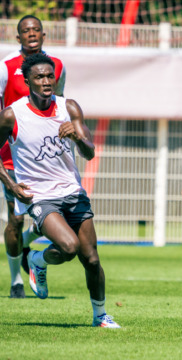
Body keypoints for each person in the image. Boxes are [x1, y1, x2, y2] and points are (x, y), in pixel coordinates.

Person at [0, 53, 119, 328]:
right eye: (39, 77)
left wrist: (78, 137)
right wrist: (12, 185)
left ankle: (100, 315)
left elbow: (89, 153)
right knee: (69, 247)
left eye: (50, 76)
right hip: (39, 195)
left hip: (73, 191)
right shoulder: (12, 114)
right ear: (27, 81)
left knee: (91, 258)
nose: (46, 81)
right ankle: (38, 260)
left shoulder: (70, 108)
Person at [0, 15, 66, 298]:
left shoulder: (58, 65)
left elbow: (60, 102)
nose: (31, 34)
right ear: (18, 38)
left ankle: (29, 243)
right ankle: (16, 279)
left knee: (60, 217)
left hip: (46, 155)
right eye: (25, 31)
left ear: (43, 33)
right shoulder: (5, 67)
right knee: (16, 219)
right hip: (12, 157)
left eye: (36, 29)